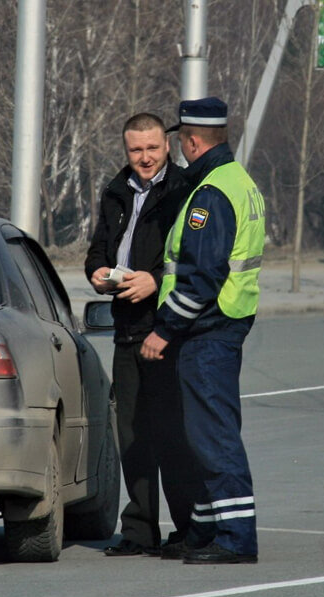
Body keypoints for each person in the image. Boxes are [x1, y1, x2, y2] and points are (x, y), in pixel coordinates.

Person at [141, 97, 265, 565]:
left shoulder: (210, 193)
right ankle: (206, 529)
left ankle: (234, 539)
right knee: (204, 432)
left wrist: (164, 329)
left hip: (208, 330)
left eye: (179, 141)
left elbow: (201, 275)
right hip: (224, 325)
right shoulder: (239, 181)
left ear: (191, 141)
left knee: (212, 435)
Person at [85, 112, 201, 559]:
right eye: (136, 150)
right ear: (126, 150)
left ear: (166, 147)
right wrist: (96, 270)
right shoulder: (115, 191)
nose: (145, 158)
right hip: (126, 329)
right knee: (130, 434)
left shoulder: (185, 190)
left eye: (152, 148)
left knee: (172, 433)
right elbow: (98, 247)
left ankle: (188, 529)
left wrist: (154, 280)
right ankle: (138, 530)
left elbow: (191, 256)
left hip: (168, 328)